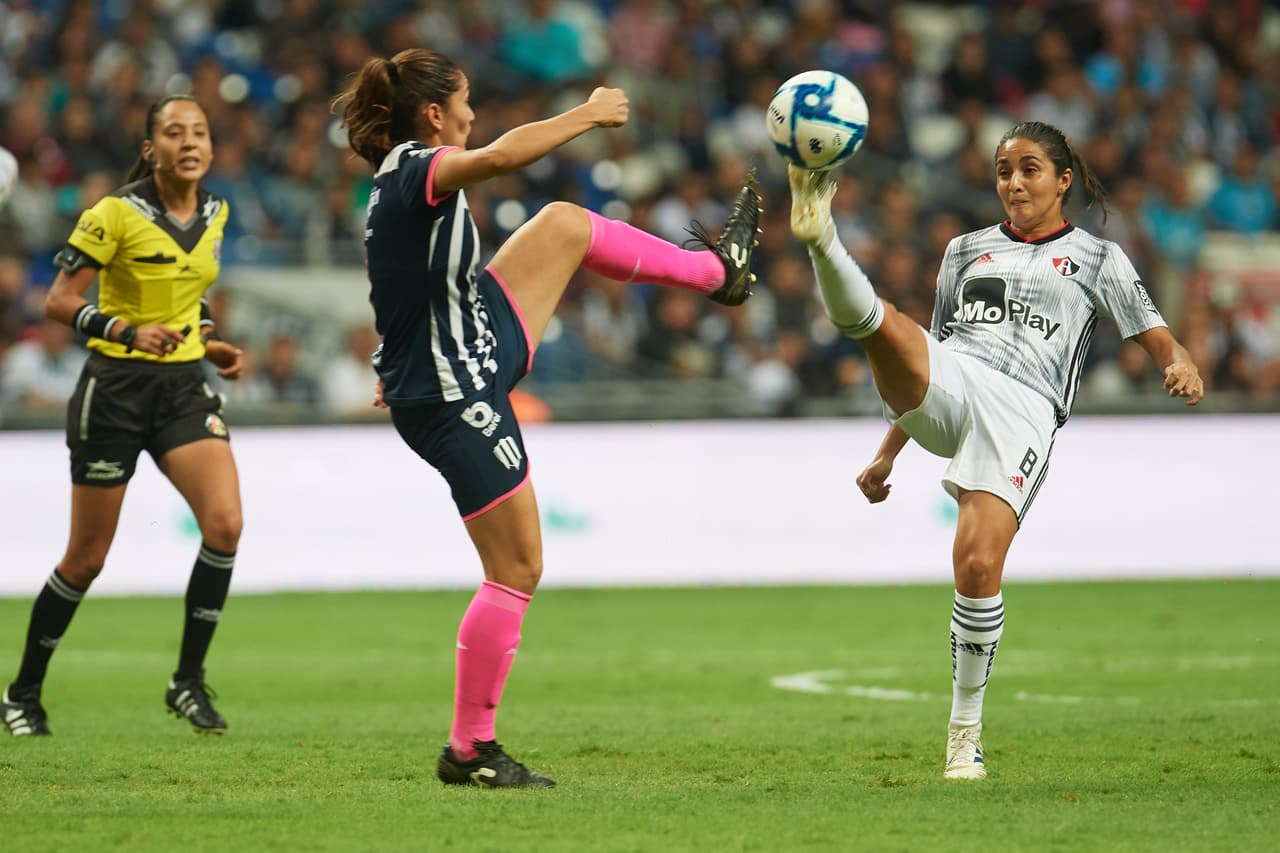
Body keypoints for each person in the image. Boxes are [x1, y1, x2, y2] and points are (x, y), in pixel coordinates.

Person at [331, 48, 760, 788]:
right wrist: (588, 115)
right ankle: (471, 750)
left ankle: (721, 274)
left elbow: (400, 285)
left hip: (471, 345)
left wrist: (395, 362)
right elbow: (497, 157)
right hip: (454, 395)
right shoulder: (418, 170)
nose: (472, 111)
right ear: (434, 114)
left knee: (563, 224)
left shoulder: (397, 179)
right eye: (464, 100)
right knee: (519, 566)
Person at [787, 120, 1203, 780]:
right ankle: (822, 238)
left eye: (1030, 169)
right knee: (885, 329)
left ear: (1063, 180)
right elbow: (933, 345)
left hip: (1025, 409)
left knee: (977, 566)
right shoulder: (964, 250)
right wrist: (890, 451)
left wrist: (1179, 364)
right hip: (955, 380)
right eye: (1005, 171)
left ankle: (964, 731)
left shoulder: (1099, 258)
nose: (1014, 183)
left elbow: (1157, 336)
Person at [1, 95, 246, 737]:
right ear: (150, 150)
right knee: (87, 558)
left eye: (199, 131)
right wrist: (125, 331)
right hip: (114, 390)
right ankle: (22, 694)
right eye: (173, 132)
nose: (188, 142)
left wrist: (210, 337)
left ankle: (187, 683)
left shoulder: (217, 212)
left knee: (224, 525)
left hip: (183, 389)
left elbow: (192, 295)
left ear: (211, 148)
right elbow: (56, 300)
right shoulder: (113, 213)